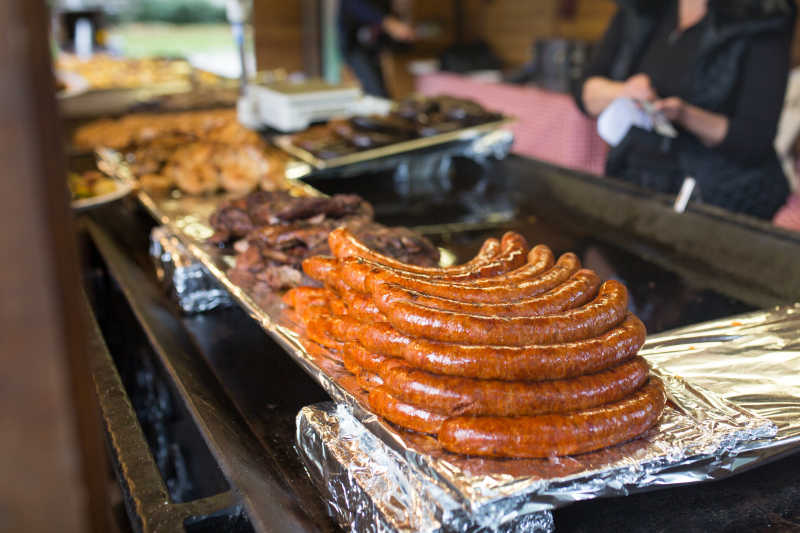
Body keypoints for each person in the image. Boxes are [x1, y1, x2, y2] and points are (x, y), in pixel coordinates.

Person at [574, 0, 796, 220]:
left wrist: (684, 115)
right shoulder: (640, 9)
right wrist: (623, 91)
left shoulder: (762, 19)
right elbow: (584, 93)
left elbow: (754, 138)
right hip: (638, 183)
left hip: (723, 199)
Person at [339, 0, 415, 97]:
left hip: (376, 48)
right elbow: (355, 5)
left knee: (382, 94)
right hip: (355, 47)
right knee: (376, 94)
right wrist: (389, 23)